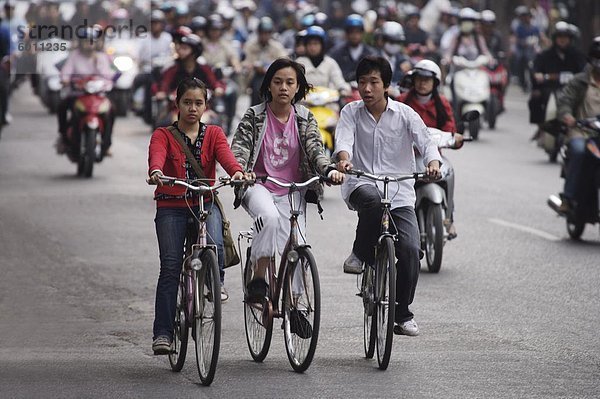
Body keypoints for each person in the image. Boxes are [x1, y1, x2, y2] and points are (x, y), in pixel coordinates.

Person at [334, 56, 442, 336]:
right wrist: (344, 160)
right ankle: (360, 253)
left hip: (400, 192)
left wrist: (433, 163)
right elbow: (343, 141)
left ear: (386, 85)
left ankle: (403, 312)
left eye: (374, 82)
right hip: (362, 183)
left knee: (409, 251)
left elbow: (426, 142)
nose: (367, 89)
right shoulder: (350, 112)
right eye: (362, 83)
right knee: (370, 201)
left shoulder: (405, 115)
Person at [230, 58, 344, 303]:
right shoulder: (254, 115)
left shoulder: (305, 118)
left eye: (289, 82)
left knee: (297, 245)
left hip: (293, 189)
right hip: (258, 184)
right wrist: (240, 171)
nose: (283, 87)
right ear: (268, 86)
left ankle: (297, 305)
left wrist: (329, 171)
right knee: (268, 218)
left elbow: (316, 150)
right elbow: (238, 149)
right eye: (277, 82)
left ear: (297, 88)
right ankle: (258, 278)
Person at [148, 77, 246, 354]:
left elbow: (226, 157)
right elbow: (157, 155)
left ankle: (215, 283)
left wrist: (236, 172)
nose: (192, 108)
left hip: (204, 203)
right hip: (171, 206)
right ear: (177, 104)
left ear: (206, 106)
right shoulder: (163, 135)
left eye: (198, 103)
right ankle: (163, 333)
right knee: (169, 267)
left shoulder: (214, 134)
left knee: (213, 248)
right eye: (187, 102)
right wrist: (156, 172)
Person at [398, 59, 463, 239]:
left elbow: (450, 125)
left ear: (435, 82)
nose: (422, 83)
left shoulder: (442, 102)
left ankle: (449, 218)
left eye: (427, 79)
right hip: (407, 157)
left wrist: (454, 137)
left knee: (449, 173)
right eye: (419, 78)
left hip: (434, 157)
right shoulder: (402, 101)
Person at [555, 37, 600, 213]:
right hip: (581, 131)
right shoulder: (579, 81)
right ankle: (568, 197)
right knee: (579, 151)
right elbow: (565, 101)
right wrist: (567, 116)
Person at [56, 27, 115, 154]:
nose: (89, 44)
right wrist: (66, 80)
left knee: (111, 110)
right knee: (62, 106)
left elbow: (108, 76)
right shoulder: (74, 56)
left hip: (97, 95)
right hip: (77, 95)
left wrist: (107, 83)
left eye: (92, 41)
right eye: (86, 41)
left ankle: (107, 144)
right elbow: (66, 72)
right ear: (81, 42)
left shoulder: (101, 57)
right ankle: (64, 138)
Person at [528, 21, 586, 139]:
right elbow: (535, 70)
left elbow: (584, 72)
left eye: (565, 37)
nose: (562, 40)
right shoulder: (545, 55)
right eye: (560, 37)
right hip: (550, 87)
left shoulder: (577, 55)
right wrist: (537, 75)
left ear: (570, 39)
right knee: (536, 97)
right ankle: (542, 124)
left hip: (572, 89)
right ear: (555, 38)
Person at [241, 16, 288, 105]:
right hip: (254, 78)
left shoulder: (276, 47)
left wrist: (269, 68)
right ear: (258, 33)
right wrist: (253, 66)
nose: (264, 36)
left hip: (273, 77)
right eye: (262, 33)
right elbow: (244, 62)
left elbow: (284, 61)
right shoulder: (250, 46)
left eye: (267, 33)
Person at [295, 25, 350, 95]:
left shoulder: (330, 63)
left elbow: (339, 81)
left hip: (327, 103)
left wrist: (343, 89)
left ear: (322, 45)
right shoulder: (299, 63)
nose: (312, 47)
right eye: (309, 44)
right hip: (304, 103)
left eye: (316, 44)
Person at [328, 14, 378, 83]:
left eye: (357, 32)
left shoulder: (371, 54)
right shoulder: (336, 53)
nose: (355, 35)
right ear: (346, 34)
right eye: (351, 32)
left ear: (362, 33)